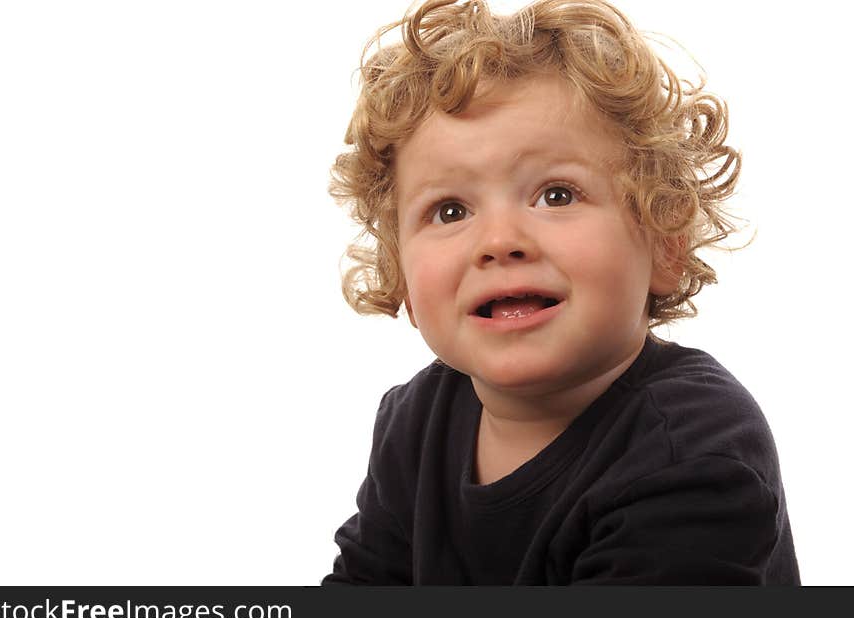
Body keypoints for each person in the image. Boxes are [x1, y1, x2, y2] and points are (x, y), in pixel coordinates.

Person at [322, 0, 799, 585]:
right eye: (450, 210)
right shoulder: (415, 423)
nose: (498, 241)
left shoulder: (691, 452)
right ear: (404, 284)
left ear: (665, 245)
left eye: (557, 195)